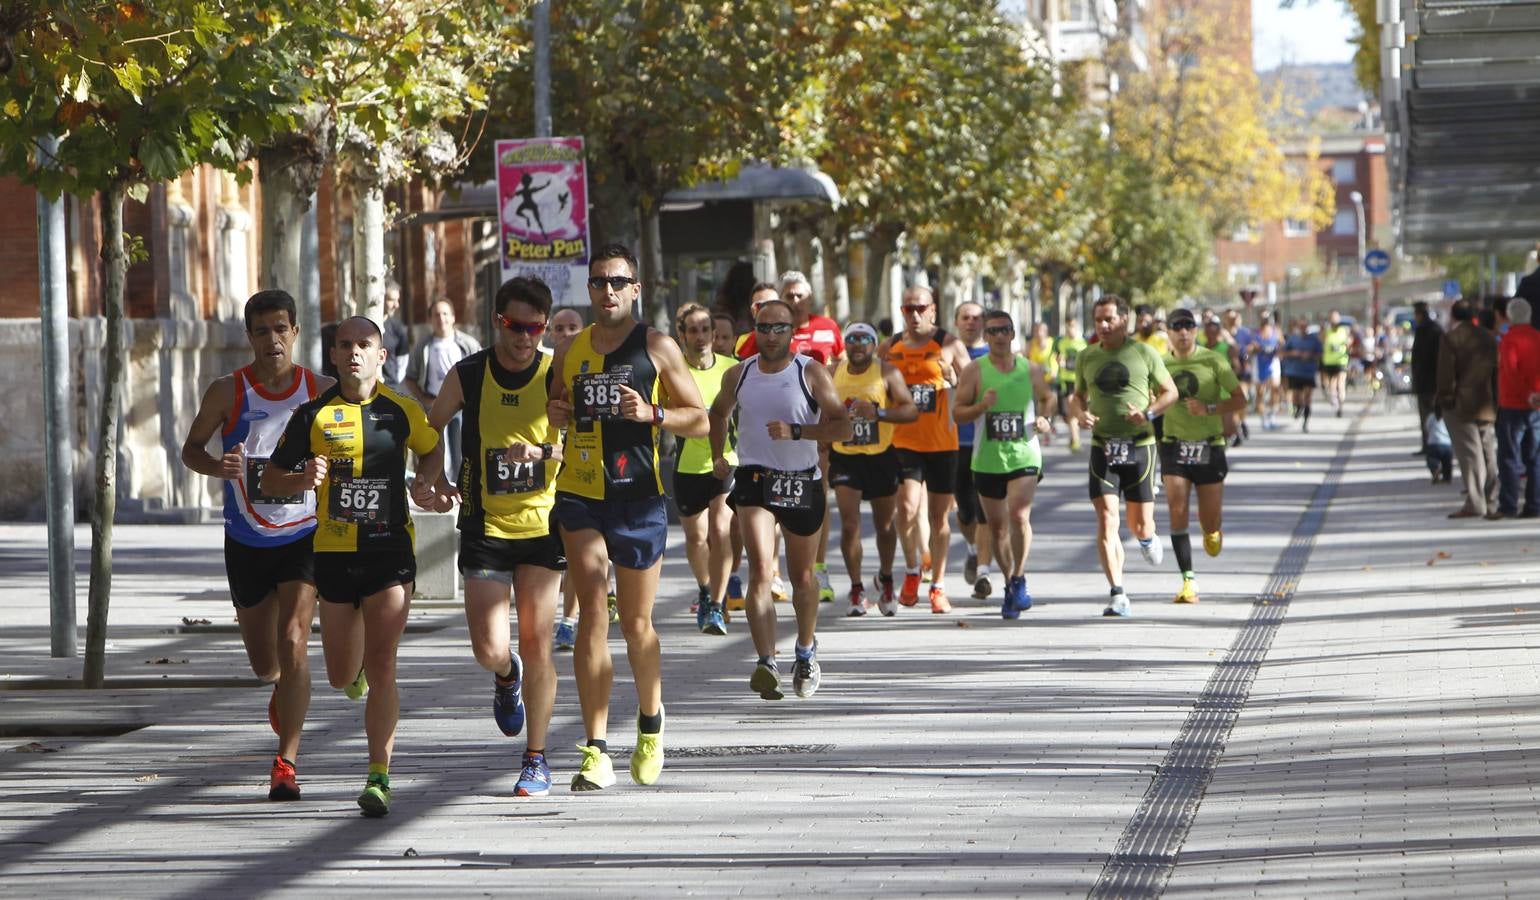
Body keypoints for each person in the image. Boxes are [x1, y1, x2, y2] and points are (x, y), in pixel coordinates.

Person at [262, 315, 443, 818]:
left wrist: (426, 483)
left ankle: (378, 776)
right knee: (343, 675)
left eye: (365, 345)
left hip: (390, 553)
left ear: (381, 355)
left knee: (385, 663)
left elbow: (432, 451)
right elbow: (272, 480)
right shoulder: (312, 415)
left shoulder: (403, 411)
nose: (354, 353)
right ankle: (356, 675)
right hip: (336, 554)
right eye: (345, 346)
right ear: (335, 356)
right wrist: (302, 477)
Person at [545, 243, 709, 790]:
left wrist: (653, 413)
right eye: (598, 283)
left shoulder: (657, 347)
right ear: (588, 290)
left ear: (635, 289)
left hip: (638, 495)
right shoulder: (569, 349)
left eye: (617, 282)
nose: (607, 292)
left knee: (636, 624)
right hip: (580, 490)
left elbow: (701, 419)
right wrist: (556, 413)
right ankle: (595, 748)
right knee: (592, 606)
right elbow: (556, 407)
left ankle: (650, 724)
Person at [415, 275, 566, 798]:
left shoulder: (556, 373)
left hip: (544, 523)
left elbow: (582, 447)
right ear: (496, 322)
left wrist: (543, 454)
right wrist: (429, 477)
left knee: (539, 642)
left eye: (534, 327)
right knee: (488, 648)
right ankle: (506, 676)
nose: (523, 337)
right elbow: (430, 432)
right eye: (512, 325)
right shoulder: (470, 373)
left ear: (544, 328)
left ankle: (537, 757)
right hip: (484, 523)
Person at [180, 290, 331, 802]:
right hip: (246, 538)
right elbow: (191, 449)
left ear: (295, 332)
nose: (272, 340)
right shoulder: (228, 391)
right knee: (266, 663)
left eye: (281, 328)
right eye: (261, 331)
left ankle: (285, 762)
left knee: (295, 642)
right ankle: (279, 687)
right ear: (250, 337)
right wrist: (216, 466)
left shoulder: (321, 390)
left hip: (304, 534)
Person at [708, 299, 850, 699]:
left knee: (802, 576)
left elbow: (843, 427)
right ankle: (766, 660)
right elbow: (718, 414)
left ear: (792, 331)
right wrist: (720, 455)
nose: (771, 336)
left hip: (802, 481)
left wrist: (799, 432)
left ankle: (805, 650)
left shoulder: (811, 372)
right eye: (764, 328)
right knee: (759, 570)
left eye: (779, 328)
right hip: (755, 480)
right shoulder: (740, 374)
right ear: (754, 331)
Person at [735, 272, 845, 604]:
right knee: (762, 536)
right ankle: (772, 573)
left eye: (799, 295)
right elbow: (742, 384)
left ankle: (816, 565)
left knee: (817, 501)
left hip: (811, 438)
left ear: (809, 298)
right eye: (789, 295)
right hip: (759, 456)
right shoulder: (754, 340)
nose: (795, 300)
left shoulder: (826, 329)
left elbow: (836, 371)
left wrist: (813, 428)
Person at [1067, 294, 1179, 617]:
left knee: (1140, 524)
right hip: (1103, 446)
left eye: (1109, 319)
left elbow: (1170, 392)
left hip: (1140, 446)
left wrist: (1148, 413)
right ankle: (1117, 593)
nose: (1102, 326)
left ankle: (1147, 538)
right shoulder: (1087, 356)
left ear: (1124, 321)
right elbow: (1075, 398)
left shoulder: (1144, 353)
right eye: (1098, 320)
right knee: (1106, 521)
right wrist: (1079, 413)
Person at [951, 311, 1054, 619]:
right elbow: (957, 413)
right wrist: (982, 406)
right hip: (987, 459)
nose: (998, 336)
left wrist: (1044, 419)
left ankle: (1019, 577)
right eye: (993, 331)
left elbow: (1048, 398)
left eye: (1004, 330)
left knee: (1019, 516)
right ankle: (1009, 582)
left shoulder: (1030, 368)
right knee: (997, 528)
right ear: (986, 336)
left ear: (1012, 334)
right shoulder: (974, 371)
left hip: (1024, 454)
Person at [883, 285, 968, 612]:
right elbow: (872, 382)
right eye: (908, 309)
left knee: (938, 517)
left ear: (933, 309)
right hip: (903, 440)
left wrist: (954, 380)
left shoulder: (948, 345)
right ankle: (912, 569)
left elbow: (970, 390)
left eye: (920, 308)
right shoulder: (890, 347)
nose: (914, 314)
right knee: (905, 510)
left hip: (942, 442)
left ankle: (938, 585)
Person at [828, 322, 918, 617]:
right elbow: (814, 407)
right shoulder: (832, 372)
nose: (858, 345)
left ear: (873, 344)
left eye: (865, 340)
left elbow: (910, 410)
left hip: (880, 456)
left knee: (884, 525)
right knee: (850, 524)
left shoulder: (887, 372)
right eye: (852, 339)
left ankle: (887, 577)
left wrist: (878, 413)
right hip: (845, 456)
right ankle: (856, 589)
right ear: (845, 343)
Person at [1159, 309, 1245, 604]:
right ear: (1167, 332)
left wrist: (1209, 409)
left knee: (1209, 521)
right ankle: (1188, 580)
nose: (1183, 333)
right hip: (1174, 446)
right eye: (1176, 327)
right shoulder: (1160, 364)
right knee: (1176, 508)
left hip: (1209, 445)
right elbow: (1149, 399)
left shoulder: (1213, 360)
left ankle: (1212, 530)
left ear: (1195, 331)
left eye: (1188, 327)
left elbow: (1240, 399)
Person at [670, 303, 739, 636]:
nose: (699, 337)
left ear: (715, 334)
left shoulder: (732, 368)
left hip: (727, 462)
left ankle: (716, 605)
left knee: (720, 529)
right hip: (688, 464)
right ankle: (705, 587)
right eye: (692, 330)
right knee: (697, 538)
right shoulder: (674, 372)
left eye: (704, 330)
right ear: (681, 335)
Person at [545, 305, 586, 651]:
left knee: (575, 554)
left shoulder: (589, 368)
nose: (567, 333)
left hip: (578, 476)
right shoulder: (543, 369)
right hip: (538, 484)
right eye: (560, 328)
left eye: (573, 326)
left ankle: (569, 621)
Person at [404, 298, 482, 479]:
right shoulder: (423, 346)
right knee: (434, 448)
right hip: (434, 405)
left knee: (461, 448)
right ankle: (435, 485)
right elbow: (410, 378)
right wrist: (423, 399)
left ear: (453, 317)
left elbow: (481, 371)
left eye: (445, 314)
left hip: (462, 406)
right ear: (430, 319)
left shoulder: (467, 344)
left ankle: (461, 484)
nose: (441, 319)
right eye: (436, 315)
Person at [1436, 299, 1500, 518]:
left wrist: (1445, 398)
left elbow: (1446, 373)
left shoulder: (1451, 339)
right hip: (1486, 402)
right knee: (1488, 451)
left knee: (1470, 454)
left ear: (1454, 317)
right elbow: (1496, 372)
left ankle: (1475, 502)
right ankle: (1492, 499)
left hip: (1460, 404)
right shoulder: (1489, 338)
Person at [951, 301, 995, 599]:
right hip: (954, 444)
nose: (971, 322)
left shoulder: (996, 358)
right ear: (956, 322)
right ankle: (971, 548)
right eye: (965, 318)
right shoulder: (941, 357)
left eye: (977, 318)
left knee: (984, 513)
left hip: (988, 445)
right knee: (965, 513)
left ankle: (983, 572)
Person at [1494, 297, 1540, 518]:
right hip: (1537, 406)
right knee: (1535, 457)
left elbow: (1511, 372)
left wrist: (1526, 394)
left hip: (1513, 404)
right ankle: (1534, 504)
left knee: (1510, 456)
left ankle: (1508, 505)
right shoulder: (1537, 338)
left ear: (1510, 316)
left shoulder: (1508, 340)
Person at [1410, 301, 1443, 453]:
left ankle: (1430, 445)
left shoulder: (1423, 330)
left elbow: (1419, 358)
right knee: (1435, 415)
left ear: (1418, 314)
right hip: (1435, 379)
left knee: (1427, 415)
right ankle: (1437, 443)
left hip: (1425, 380)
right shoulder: (1437, 329)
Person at [1279, 318, 1322, 431]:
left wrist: (1310, 356)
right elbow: (1283, 352)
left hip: (1308, 372)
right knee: (1296, 395)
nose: (1303, 329)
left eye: (1305, 327)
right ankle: (1297, 408)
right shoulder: (1293, 339)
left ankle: (1305, 422)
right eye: (1300, 327)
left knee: (1307, 397)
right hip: (1294, 371)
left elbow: (1320, 354)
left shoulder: (1314, 340)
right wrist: (1294, 353)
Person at [1054, 317, 1088, 452]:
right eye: (1068, 326)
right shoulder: (1062, 342)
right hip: (1065, 381)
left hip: (1079, 380)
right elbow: (1058, 358)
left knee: (1073, 409)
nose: (1070, 329)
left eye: (1073, 326)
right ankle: (1074, 437)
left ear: (1077, 328)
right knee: (1068, 413)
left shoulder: (1082, 344)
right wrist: (1059, 361)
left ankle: (1075, 438)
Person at [1249, 317, 1283, 430]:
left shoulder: (1276, 333)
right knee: (1260, 393)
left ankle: (1272, 415)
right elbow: (1250, 350)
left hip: (1272, 364)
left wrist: (1280, 347)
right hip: (1259, 365)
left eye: (1269, 326)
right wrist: (1256, 348)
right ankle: (1263, 418)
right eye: (1264, 326)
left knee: (1275, 389)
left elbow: (1283, 346)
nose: (1267, 328)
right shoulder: (1255, 336)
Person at [1320, 310, 1352, 417]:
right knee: (1331, 385)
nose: (1334, 320)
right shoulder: (1326, 331)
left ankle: (1341, 407)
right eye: (1332, 318)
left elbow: (1349, 342)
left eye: (1336, 318)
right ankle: (1336, 402)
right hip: (1329, 361)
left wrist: (1348, 343)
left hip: (1341, 361)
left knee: (1341, 383)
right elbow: (1321, 340)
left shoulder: (1344, 330)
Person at [381, 280, 411, 387]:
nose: (396, 305)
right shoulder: (363, 325)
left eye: (397, 300)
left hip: (390, 386)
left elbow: (403, 359)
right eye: (391, 300)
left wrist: (397, 381)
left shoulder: (398, 328)